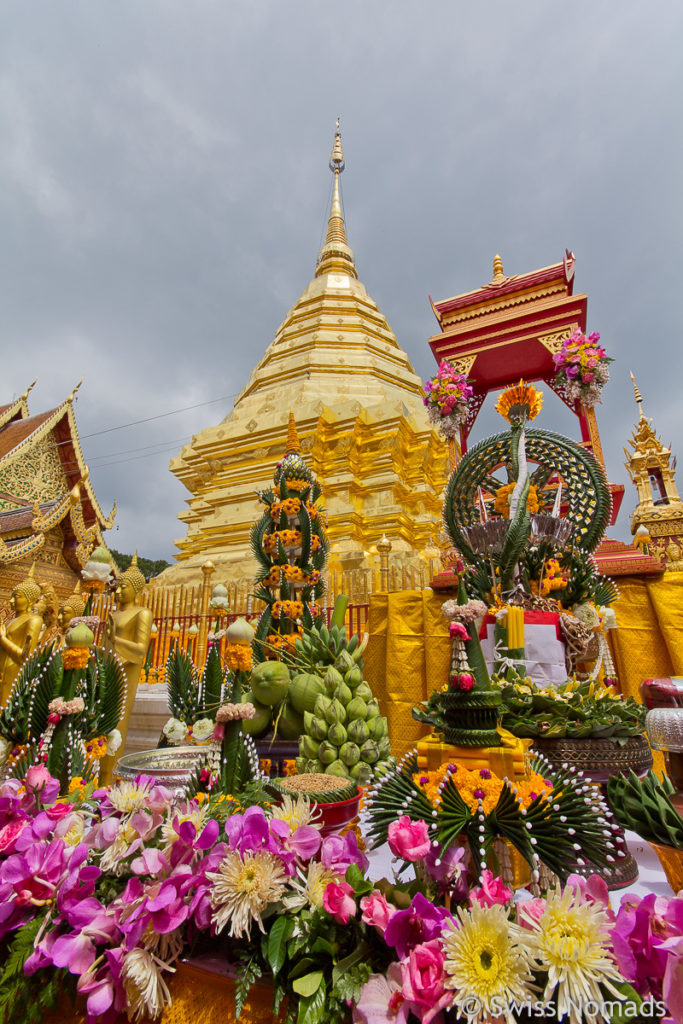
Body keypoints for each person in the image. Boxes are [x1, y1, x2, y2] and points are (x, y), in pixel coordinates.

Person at [99, 553, 153, 783]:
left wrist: (117, 641)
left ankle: (111, 778)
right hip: (106, 671)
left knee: (117, 724)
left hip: (124, 673)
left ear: (137, 589)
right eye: (117, 587)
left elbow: (140, 650)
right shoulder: (114, 613)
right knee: (102, 726)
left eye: (124, 587)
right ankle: (100, 775)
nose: (118, 592)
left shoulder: (143, 613)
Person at [0, 566, 43, 704]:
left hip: (13, 673)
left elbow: (25, 656)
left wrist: (2, 639)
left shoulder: (34, 620)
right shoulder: (11, 620)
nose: (11, 601)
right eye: (12, 596)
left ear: (30, 600)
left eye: (17, 597)